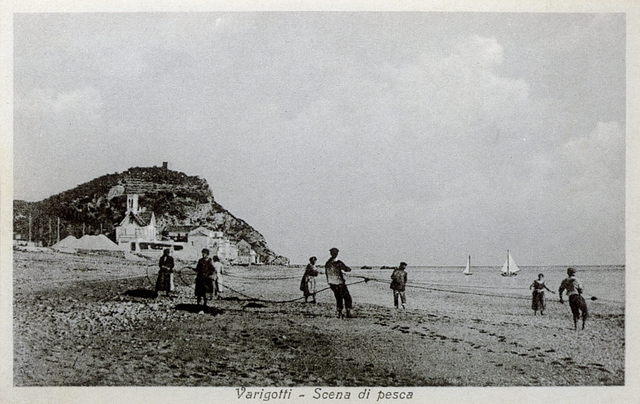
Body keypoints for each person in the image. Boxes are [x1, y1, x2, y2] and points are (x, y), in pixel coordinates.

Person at [325, 248, 353, 318]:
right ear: (336, 253)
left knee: (338, 298)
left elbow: (326, 274)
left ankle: (339, 313)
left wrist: (329, 282)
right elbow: (347, 269)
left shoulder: (327, 263)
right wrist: (348, 269)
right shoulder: (338, 262)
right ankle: (348, 312)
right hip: (340, 283)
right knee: (347, 297)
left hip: (332, 283)